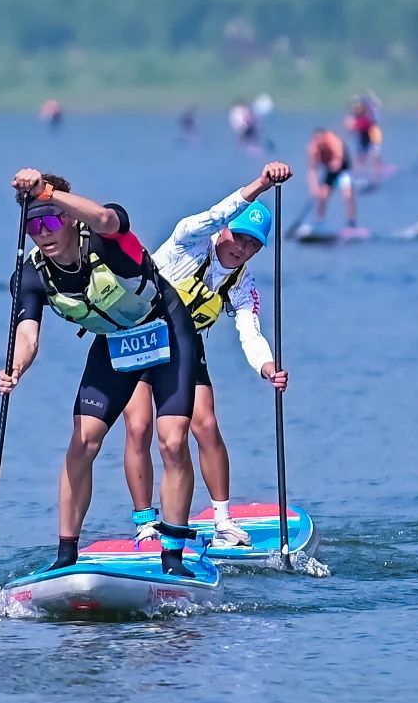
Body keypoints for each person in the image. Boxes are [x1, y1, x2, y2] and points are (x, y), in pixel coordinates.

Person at [0, 169, 202, 577]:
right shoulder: (30, 275)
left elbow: (107, 219)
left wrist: (48, 192)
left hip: (166, 330)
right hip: (114, 345)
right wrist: (14, 369)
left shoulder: (108, 238)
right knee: (83, 441)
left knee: (172, 441)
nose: (43, 232)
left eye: (52, 219)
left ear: (71, 217)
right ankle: (66, 555)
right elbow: (27, 334)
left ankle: (173, 556)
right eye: (33, 225)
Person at [122, 162, 292, 546]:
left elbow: (250, 330)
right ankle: (145, 522)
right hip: (140, 338)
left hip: (184, 347)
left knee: (206, 426)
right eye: (240, 238)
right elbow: (217, 212)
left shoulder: (241, 281)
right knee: (139, 428)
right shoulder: (190, 239)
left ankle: (224, 522)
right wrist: (262, 185)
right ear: (225, 230)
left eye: (253, 245)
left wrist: (267, 368)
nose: (243, 249)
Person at [305, 128, 357, 227]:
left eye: (320, 140)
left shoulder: (334, 141)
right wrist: (314, 187)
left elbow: (338, 161)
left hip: (343, 170)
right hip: (330, 171)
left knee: (348, 195)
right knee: (322, 196)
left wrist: (334, 165)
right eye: (316, 140)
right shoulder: (313, 149)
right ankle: (319, 222)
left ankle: (351, 222)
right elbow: (312, 170)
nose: (319, 143)